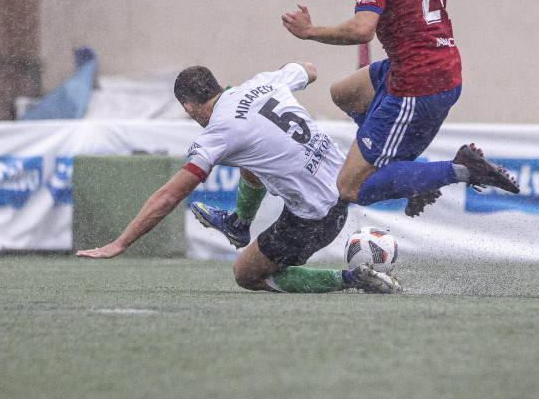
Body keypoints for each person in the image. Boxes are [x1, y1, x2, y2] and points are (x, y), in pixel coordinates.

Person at [282, 0, 533, 216]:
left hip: (417, 84)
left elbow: (362, 30)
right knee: (343, 93)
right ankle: (410, 176)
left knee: (350, 187)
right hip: (434, 67)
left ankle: (460, 169)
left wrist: (310, 31)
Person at [76, 62, 401, 294]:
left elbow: (168, 198)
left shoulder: (218, 133)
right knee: (249, 158)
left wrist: (119, 244)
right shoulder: (262, 82)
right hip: (346, 180)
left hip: (317, 217)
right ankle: (239, 224)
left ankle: (350, 279)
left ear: (189, 108)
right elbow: (310, 69)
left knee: (246, 274)